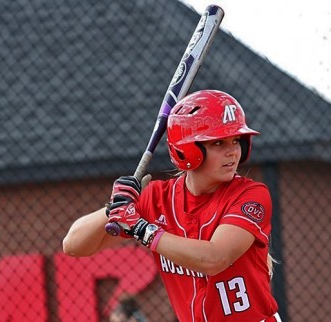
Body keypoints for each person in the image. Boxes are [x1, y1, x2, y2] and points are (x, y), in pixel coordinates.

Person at [63, 90, 281, 322]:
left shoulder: (251, 194)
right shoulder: (158, 198)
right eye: (218, 142)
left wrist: (142, 230)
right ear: (187, 149)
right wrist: (113, 209)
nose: (232, 151)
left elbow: (214, 259)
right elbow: (74, 245)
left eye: (236, 140)